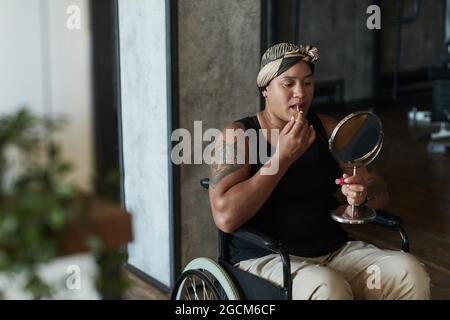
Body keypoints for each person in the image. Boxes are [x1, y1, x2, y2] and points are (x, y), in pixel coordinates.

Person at [208, 42, 430, 300]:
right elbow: (225, 217)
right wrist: (282, 157)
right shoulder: (239, 136)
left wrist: (361, 194)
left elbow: (380, 191)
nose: (300, 93)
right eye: (288, 84)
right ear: (265, 88)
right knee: (328, 287)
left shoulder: (327, 128)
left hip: (334, 253)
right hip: (267, 259)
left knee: (410, 272)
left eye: (307, 83)